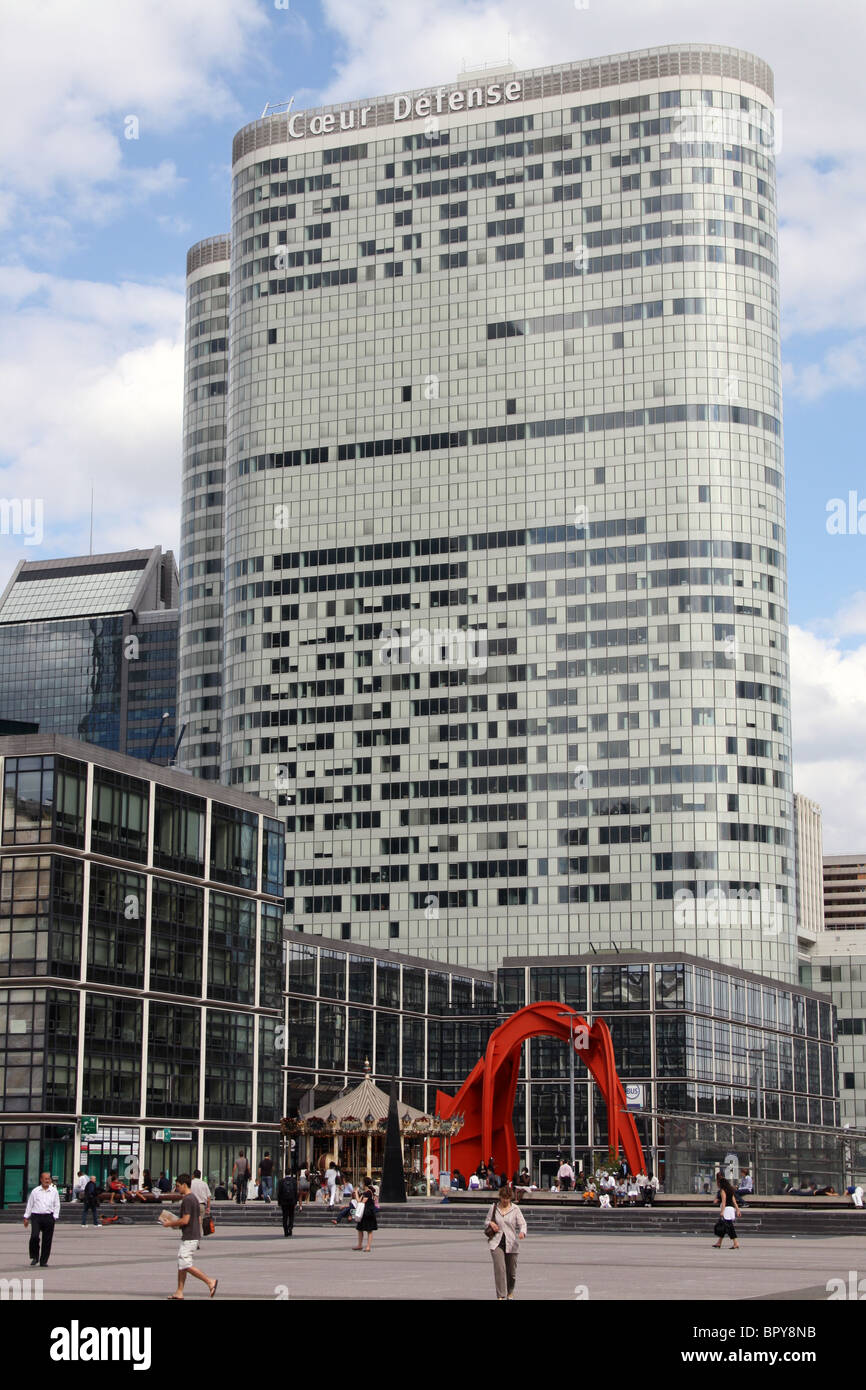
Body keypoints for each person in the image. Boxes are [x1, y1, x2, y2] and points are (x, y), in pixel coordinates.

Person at [163, 1174, 218, 1299]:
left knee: (185, 1264)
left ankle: (210, 1281)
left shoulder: (187, 1200)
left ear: (184, 1185)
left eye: (177, 1186)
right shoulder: (194, 1198)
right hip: (193, 1235)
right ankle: (179, 1291)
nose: (177, 1189)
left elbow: (185, 1220)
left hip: (190, 1236)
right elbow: (196, 1218)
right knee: (182, 1264)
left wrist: (170, 1223)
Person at [484, 1183, 527, 1300]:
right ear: (500, 1197)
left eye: (507, 1198)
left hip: (511, 1243)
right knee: (500, 1269)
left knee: (511, 1272)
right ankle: (501, 1296)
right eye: (503, 1198)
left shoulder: (515, 1209)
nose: (505, 1201)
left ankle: (510, 1292)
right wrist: (491, 1224)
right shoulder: (494, 1207)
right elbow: (487, 1221)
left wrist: (522, 1232)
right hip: (496, 1242)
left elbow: (522, 1223)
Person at [23, 1172, 60, 1267]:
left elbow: (57, 1204)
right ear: (41, 1179)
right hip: (36, 1217)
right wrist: (26, 1217)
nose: (47, 1180)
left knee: (47, 1240)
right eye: (45, 1179)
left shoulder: (54, 1191)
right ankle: (35, 1256)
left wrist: (55, 1216)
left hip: (49, 1217)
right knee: (34, 1237)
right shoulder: (35, 1191)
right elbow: (30, 1204)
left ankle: (44, 1260)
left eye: (48, 1179)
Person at [713, 1171, 741, 1249]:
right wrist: (738, 1210)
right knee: (725, 1227)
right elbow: (734, 1201)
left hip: (726, 1210)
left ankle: (736, 1243)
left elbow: (724, 1202)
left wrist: (722, 1212)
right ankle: (719, 1243)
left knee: (729, 1227)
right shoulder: (730, 1190)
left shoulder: (723, 1191)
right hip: (731, 1209)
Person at [353, 1176, 378, 1252]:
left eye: (362, 1182)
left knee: (369, 1230)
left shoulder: (368, 1192)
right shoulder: (364, 1192)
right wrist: (356, 1193)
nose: (361, 1184)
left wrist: (357, 1194)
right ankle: (359, 1245)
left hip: (368, 1213)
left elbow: (362, 1202)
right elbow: (358, 1201)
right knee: (360, 1229)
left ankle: (368, 1246)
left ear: (364, 1183)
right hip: (363, 1213)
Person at [277, 1170, 299, 1236]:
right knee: (291, 1215)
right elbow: (295, 1192)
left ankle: (285, 1230)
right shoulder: (294, 1181)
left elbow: (279, 1193)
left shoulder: (281, 1181)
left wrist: (279, 1202)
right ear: (291, 1173)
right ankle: (290, 1227)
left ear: (285, 1173)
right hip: (292, 1201)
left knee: (285, 1216)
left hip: (284, 1201)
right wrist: (296, 1201)